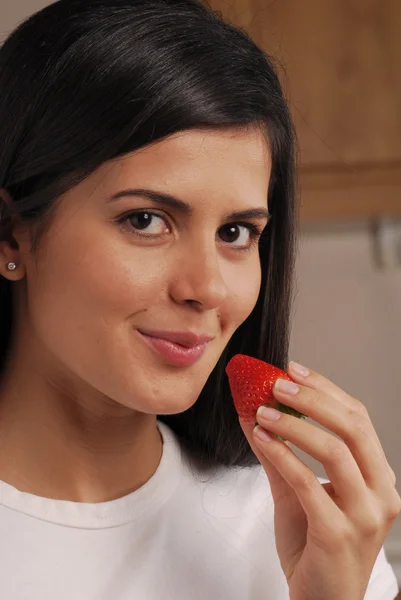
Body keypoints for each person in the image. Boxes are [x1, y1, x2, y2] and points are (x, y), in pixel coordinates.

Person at [0, 0, 399, 598]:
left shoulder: (311, 538)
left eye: (236, 233)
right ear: (11, 235)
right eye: (145, 220)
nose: (208, 288)